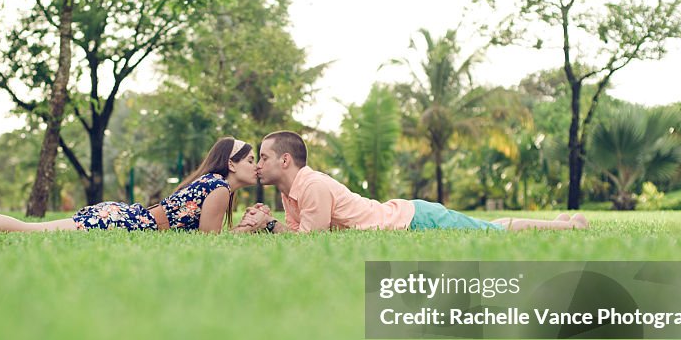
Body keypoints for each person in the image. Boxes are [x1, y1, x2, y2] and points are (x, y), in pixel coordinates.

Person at [240, 131, 589, 233]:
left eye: (264, 158)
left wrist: (266, 225)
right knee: (486, 228)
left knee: (490, 233)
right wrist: (262, 224)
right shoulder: (291, 191)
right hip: (407, 216)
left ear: (285, 160)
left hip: (415, 220)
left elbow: (307, 240)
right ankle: (557, 224)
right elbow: (295, 232)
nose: (259, 165)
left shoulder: (312, 185)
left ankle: (566, 227)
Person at [0, 137, 262, 234]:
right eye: (250, 160)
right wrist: (250, 229)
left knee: (33, 230)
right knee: (30, 231)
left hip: (123, 216)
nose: (256, 166)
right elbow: (209, 243)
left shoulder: (212, 183)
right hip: (122, 222)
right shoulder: (218, 188)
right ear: (230, 163)